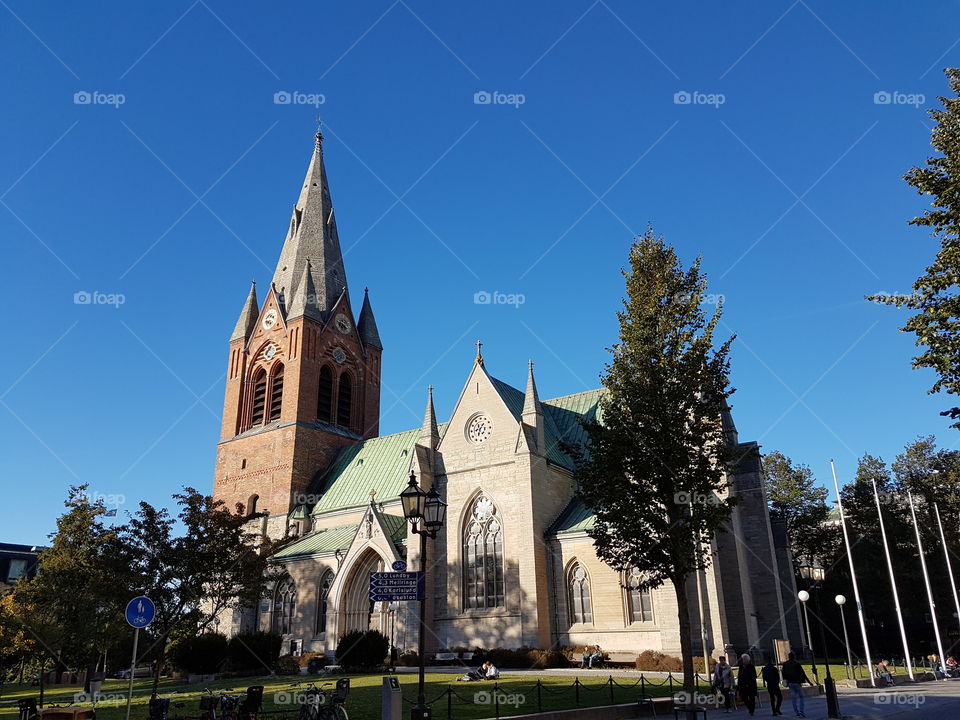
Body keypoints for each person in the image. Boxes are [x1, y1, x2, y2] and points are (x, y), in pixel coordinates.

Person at [781, 652, 812, 718]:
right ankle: (802, 711)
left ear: (788, 657)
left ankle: (797, 712)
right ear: (794, 657)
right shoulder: (797, 664)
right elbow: (803, 674)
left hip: (790, 683)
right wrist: (809, 682)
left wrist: (785, 681)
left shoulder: (785, 664)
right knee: (801, 697)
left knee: (793, 699)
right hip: (797, 683)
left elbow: (783, 673)